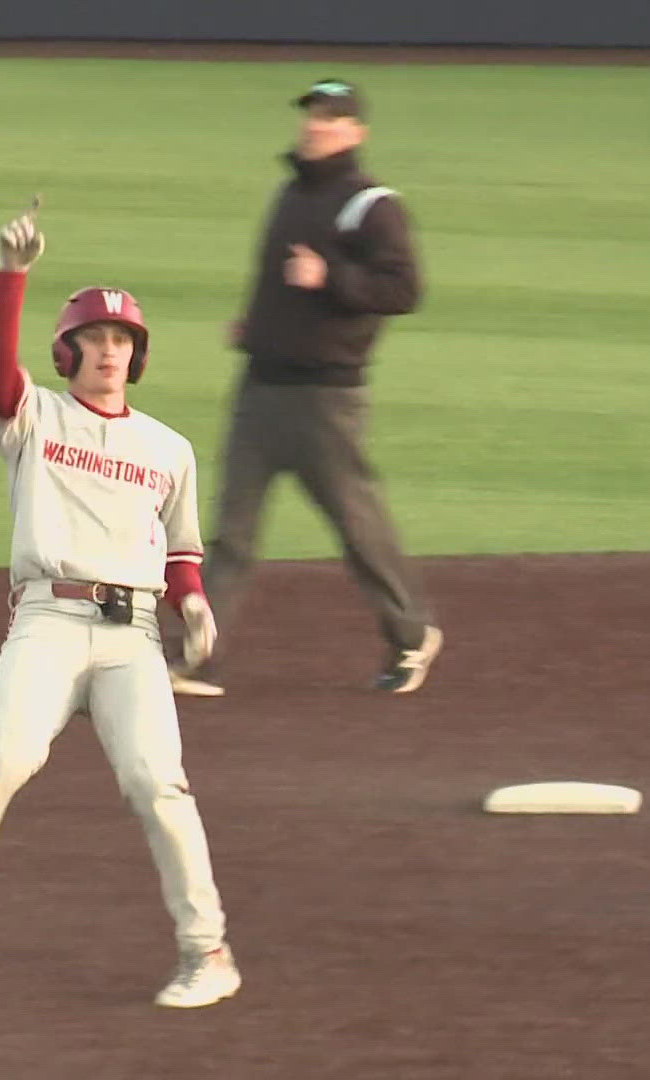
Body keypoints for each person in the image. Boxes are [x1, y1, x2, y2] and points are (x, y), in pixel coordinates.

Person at [0, 199, 239, 1010]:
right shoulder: (35, 418)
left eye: (123, 340)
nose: (110, 351)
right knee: (2, 763)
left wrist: (191, 603)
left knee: (159, 784)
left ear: (137, 355)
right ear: (68, 350)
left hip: (133, 638)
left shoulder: (169, 448)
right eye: (96, 338)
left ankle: (208, 952)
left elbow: (182, 550)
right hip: (48, 621)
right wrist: (11, 276)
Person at [170, 77, 442, 700]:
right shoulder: (290, 193)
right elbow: (277, 284)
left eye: (332, 116)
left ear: (356, 132)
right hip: (260, 387)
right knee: (231, 533)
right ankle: (195, 655)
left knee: (356, 527)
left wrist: (330, 276)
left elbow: (403, 290)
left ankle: (411, 634)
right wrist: (256, 327)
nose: (317, 124)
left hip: (325, 400)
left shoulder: (372, 205)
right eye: (313, 113)